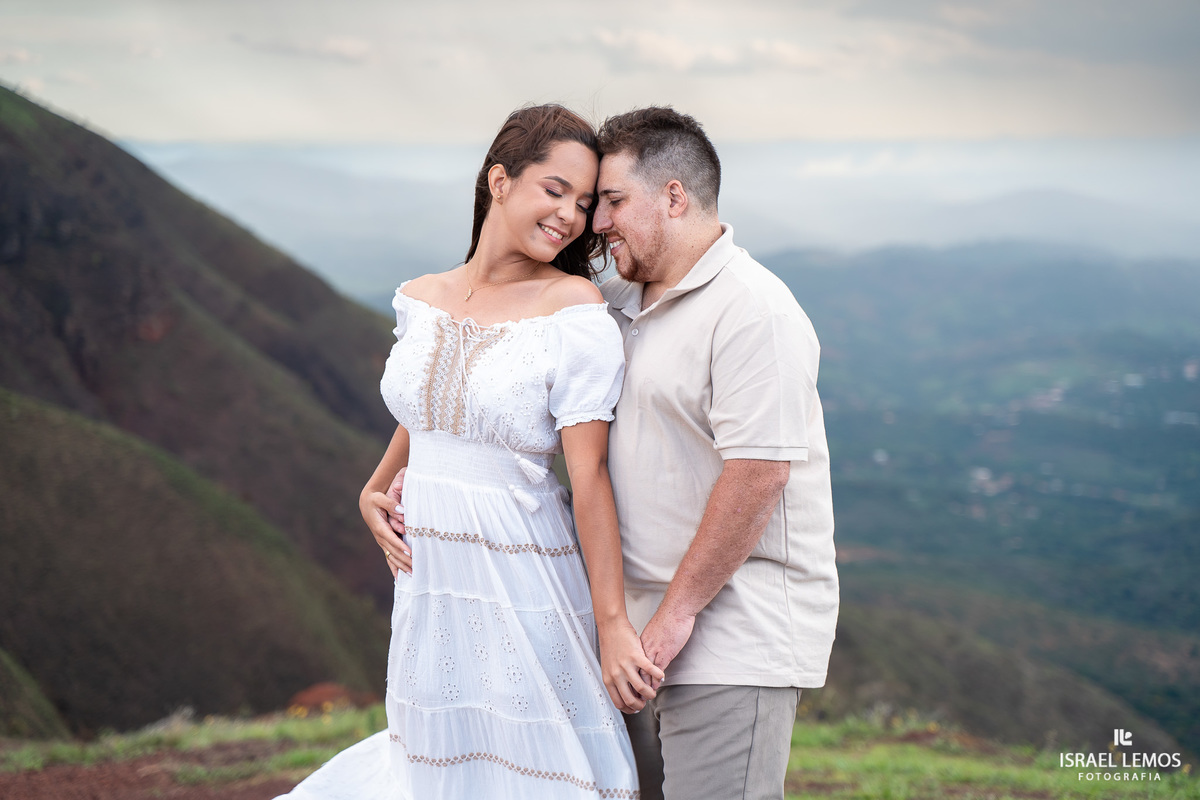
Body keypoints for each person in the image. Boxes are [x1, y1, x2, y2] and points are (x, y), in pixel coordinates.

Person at [276, 104, 660, 800]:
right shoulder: (423, 300)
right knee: (435, 770)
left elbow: (589, 475)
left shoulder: (572, 309)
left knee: (538, 775)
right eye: (555, 189)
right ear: (500, 180)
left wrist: (611, 627)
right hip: (432, 585)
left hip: (522, 577)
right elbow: (431, 411)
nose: (572, 216)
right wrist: (377, 484)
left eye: (583, 202)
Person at [592, 107, 839, 800]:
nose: (599, 222)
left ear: (674, 197)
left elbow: (759, 473)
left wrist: (674, 618)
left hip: (730, 639)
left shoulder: (755, 311)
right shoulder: (617, 303)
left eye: (613, 201)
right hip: (632, 643)